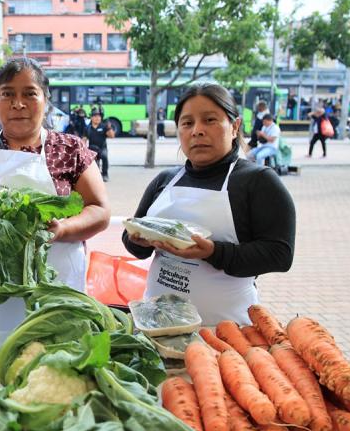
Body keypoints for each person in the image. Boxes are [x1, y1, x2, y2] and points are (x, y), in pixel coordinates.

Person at [0, 57, 110, 332]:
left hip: (52, 288)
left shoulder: (70, 149)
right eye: (7, 94)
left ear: (46, 100)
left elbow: (99, 210)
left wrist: (62, 228)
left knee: (52, 351)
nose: (18, 104)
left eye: (30, 94)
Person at [122, 83, 295, 326]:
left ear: (234, 126)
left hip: (227, 330)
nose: (197, 131)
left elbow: (280, 254)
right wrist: (138, 240)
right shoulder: (165, 180)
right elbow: (134, 243)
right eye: (187, 123)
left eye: (210, 120)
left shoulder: (258, 181)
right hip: (156, 327)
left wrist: (214, 252)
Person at [83, 109, 114, 182]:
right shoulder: (88, 128)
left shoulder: (104, 126)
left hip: (102, 148)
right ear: (91, 118)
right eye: (95, 116)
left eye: (99, 116)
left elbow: (112, 136)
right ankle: (95, 175)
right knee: (92, 163)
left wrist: (109, 127)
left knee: (104, 156)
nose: (97, 118)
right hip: (92, 148)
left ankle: (105, 174)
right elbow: (84, 140)